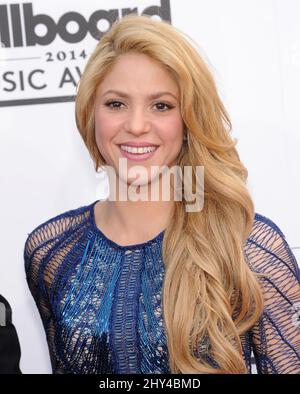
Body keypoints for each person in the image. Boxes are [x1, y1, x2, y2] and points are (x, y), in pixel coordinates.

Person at [24, 14, 300, 374]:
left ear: (188, 121)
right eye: (116, 104)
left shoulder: (247, 249)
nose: (137, 125)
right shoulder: (51, 251)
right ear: (91, 113)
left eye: (161, 106)